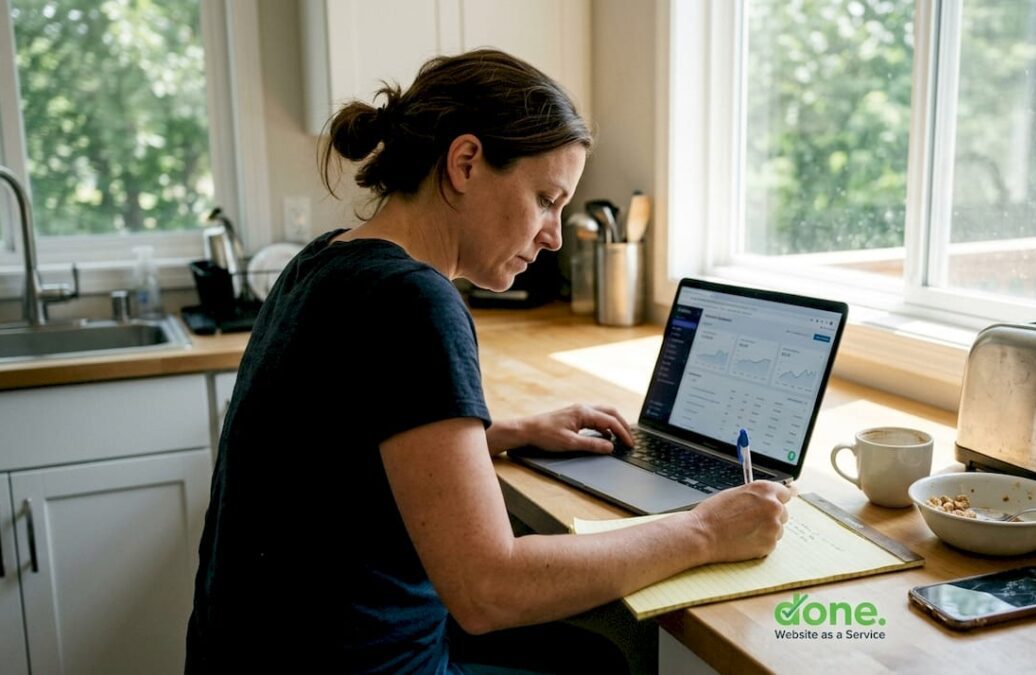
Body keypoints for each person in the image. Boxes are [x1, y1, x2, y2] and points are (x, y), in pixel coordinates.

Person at [185, 49, 792, 674]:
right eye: (545, 199)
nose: (554, 234)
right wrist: (703, 532)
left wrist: (503, 432)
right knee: (604, 661)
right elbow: (488, 591)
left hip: (244, 655)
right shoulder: (414, 300)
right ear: (466, 162)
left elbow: (343, 449)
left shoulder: (325, 261)